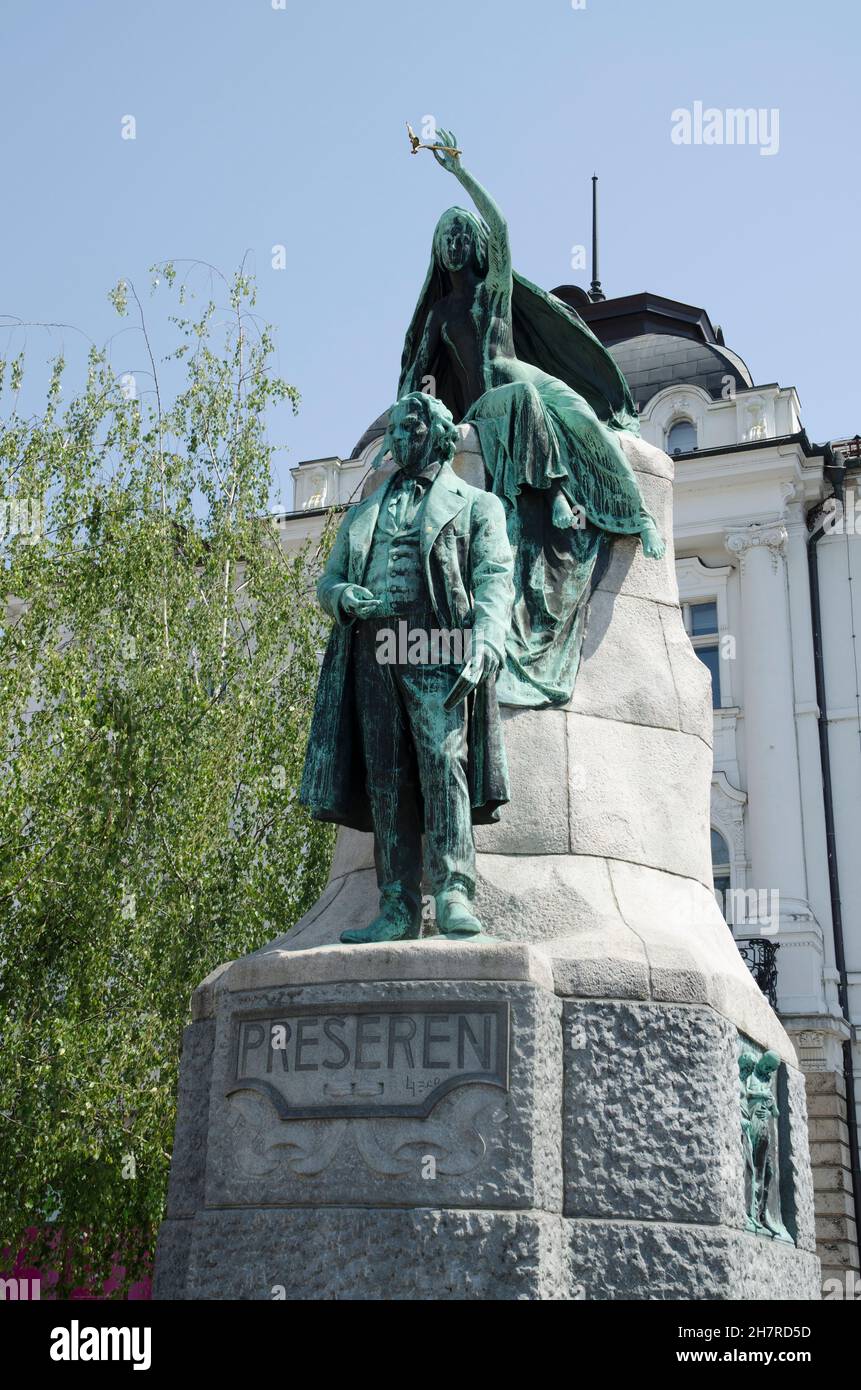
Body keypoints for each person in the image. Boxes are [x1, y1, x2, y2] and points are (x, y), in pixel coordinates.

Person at [397, 128, 665, 707]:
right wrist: (422, 397)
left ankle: (631, 512)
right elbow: (419, 371)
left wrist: (461, 173)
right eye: (446, 237)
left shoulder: (493, 293)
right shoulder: (442, 311)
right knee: (523, 404)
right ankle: (563, 497)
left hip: (520, 374)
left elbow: (504, 230)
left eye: (461, 234)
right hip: (489, 401)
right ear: (438, 253)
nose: (456, 243)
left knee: (585, 419)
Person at [300, 392, 514, 943]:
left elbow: (494, 580)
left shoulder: (476, 505)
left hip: (435, 642)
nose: (400, 438)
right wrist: (343, 595)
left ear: (437, 436)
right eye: (396, 429)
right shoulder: (365, 511)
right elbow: (328, 583)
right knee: (386, 778)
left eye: (411, 428)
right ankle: (395, 903)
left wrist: (487, 639)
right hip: (373, 648)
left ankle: (453, 892)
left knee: (444, 764)